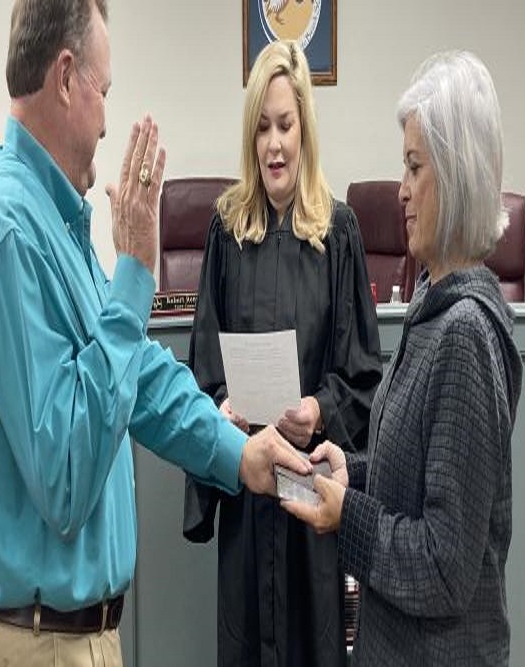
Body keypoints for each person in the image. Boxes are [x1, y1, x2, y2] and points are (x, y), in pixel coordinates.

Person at [0, 1, 311, 665]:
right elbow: (67, 478)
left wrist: (237, 452)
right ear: (64, 78)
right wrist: (135, 271)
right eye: (104, 92)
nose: (109, 119)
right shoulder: (9, 230)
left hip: (70, 638)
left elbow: (132, 373)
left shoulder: (51, 220)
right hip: (37, 643)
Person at [282, 51, 524, 666]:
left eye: (416, 167)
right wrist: (352, 472)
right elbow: (418, 478)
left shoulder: (465, 335)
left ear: (457, 173)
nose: (402, 189)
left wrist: (348, 517)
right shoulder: (432, 307)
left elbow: (445, 568)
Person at [183, 40, 383, 666]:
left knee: (311, 646)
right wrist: (221, 409)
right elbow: (203, 370)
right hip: (248, 493)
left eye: (286, 126)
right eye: (263, 128)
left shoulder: (338, 232)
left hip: (308, 493)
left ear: (305, 130)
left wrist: (317, 411)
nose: (274, 144)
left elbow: (362, 375)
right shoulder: (225, 230)